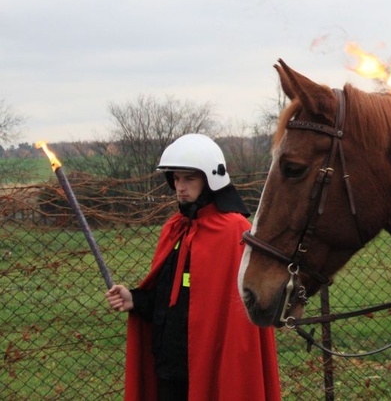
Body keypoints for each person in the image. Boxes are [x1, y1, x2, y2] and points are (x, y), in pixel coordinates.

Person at [105, 134, 281, 401]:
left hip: (211, 362)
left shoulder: (235, 231)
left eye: (189, 178)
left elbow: (239, 318)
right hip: (169, 364)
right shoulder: (175, 229)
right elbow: (168, 297)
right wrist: (136, 299)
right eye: (176, 179)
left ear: (211, 179)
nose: (180, 187)